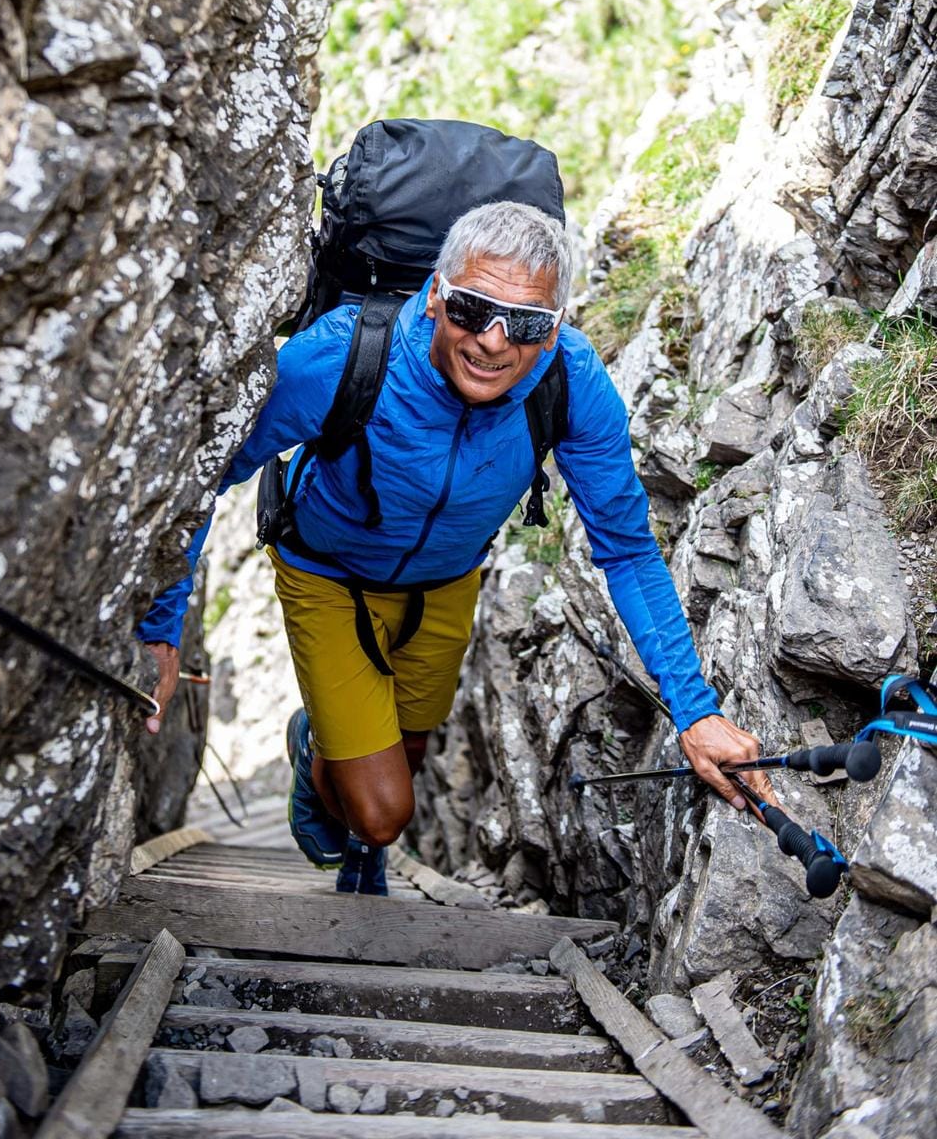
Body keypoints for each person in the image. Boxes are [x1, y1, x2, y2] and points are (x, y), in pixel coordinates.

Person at [137, 200, 774, 893]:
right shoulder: (339, 358)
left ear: (554, 330)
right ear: (435, 296)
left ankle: (324, 746)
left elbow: (625, 550)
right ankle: (333, 773)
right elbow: (202, 475)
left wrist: (697, 712)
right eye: (472, 309)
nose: (494, 342)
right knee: (383, 814)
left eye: (525, 322)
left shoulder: (571, 383)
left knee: (407, 749)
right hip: (326, 574)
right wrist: (163, 629)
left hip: (447, 583)